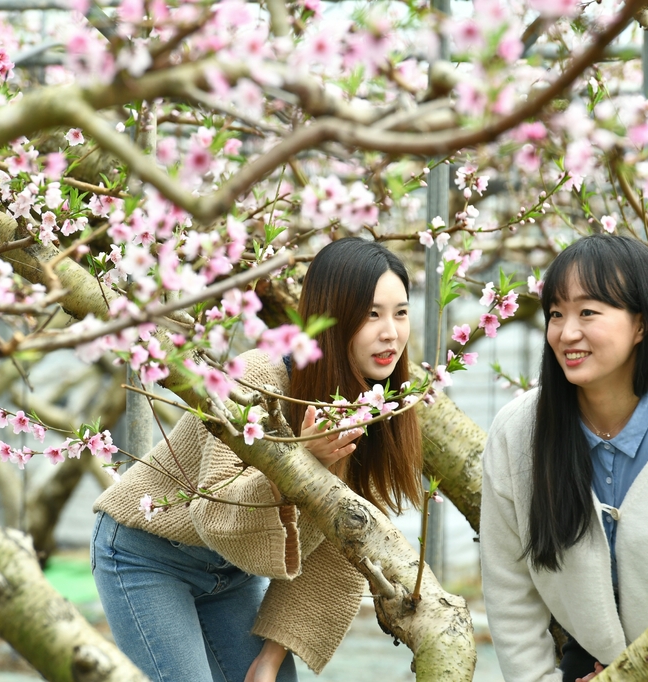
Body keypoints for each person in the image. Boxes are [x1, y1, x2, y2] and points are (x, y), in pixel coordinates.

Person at [90, 237, 422, 682]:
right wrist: (298, 460)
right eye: (371, 314)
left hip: (234, 574)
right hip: (147, 553)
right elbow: (213, 510)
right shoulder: (259, 378)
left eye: (400, 312)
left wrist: (270, 659)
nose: (391, 332)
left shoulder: (380, 410)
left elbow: (344, 546)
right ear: (333, 319)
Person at [479, 234, 648, 682]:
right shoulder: (518, 434)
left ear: (641, 325)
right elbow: (510, 590)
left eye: (588, 312)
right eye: (556, 314)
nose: (567, 333)